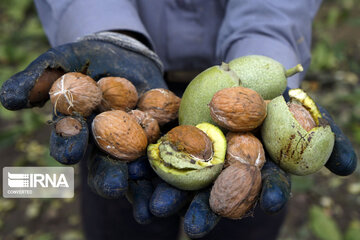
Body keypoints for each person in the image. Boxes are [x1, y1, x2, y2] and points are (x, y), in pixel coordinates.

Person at [0, 1, 357, 239]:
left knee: (250, 214)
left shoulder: (249, 111)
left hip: (248, 73)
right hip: (132, 68)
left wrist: (267, 52)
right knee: (119, 204)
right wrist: (111, 33)